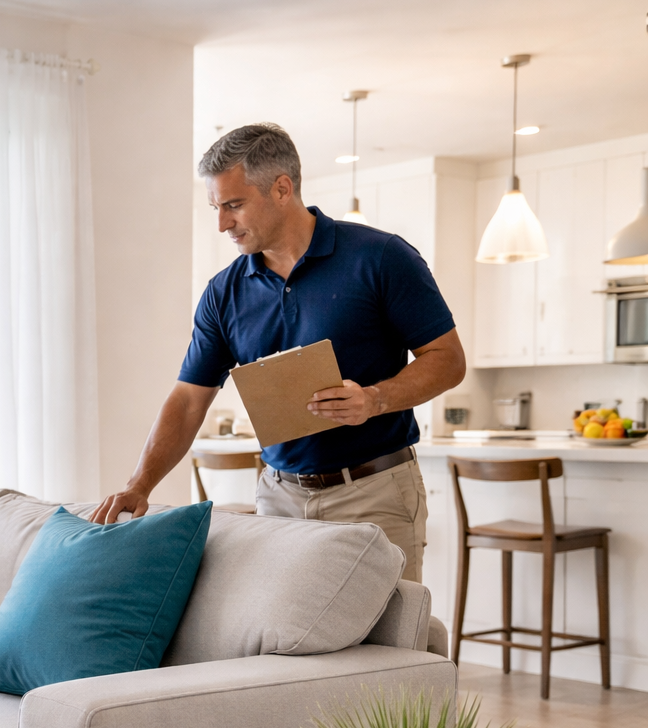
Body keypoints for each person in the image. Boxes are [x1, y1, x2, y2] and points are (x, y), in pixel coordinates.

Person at [92, 123, 465, 582]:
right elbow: (190, 399)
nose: (222, 223)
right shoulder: (224, 292)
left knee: (387, 648)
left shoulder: (381, 257)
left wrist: (374, 399)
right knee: (283, 649)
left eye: (233, 205)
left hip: (375, 493)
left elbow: (448, 359)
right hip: (278, 497)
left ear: (282, 189)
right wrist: (139, 484)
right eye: (216, 207)